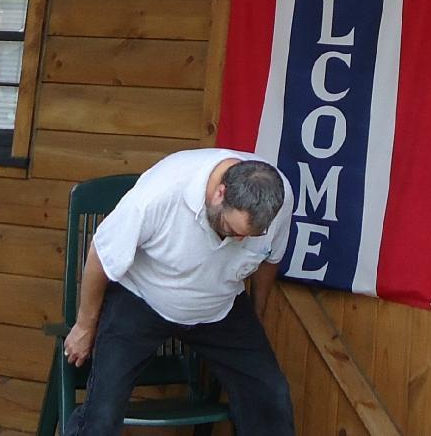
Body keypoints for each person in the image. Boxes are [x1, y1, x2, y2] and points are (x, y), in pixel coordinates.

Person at [64, 149, 295, 436]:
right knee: (103, 413)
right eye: (231, 229)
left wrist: (258, 314)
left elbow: (270, 259)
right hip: (142, 297)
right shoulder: (161, 194)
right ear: (219, 194)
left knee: (270, 395)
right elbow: (101, 253)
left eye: (248, 236)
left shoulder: (279, 199)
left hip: (220, 306)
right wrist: (85, 325)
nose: (238, 240)